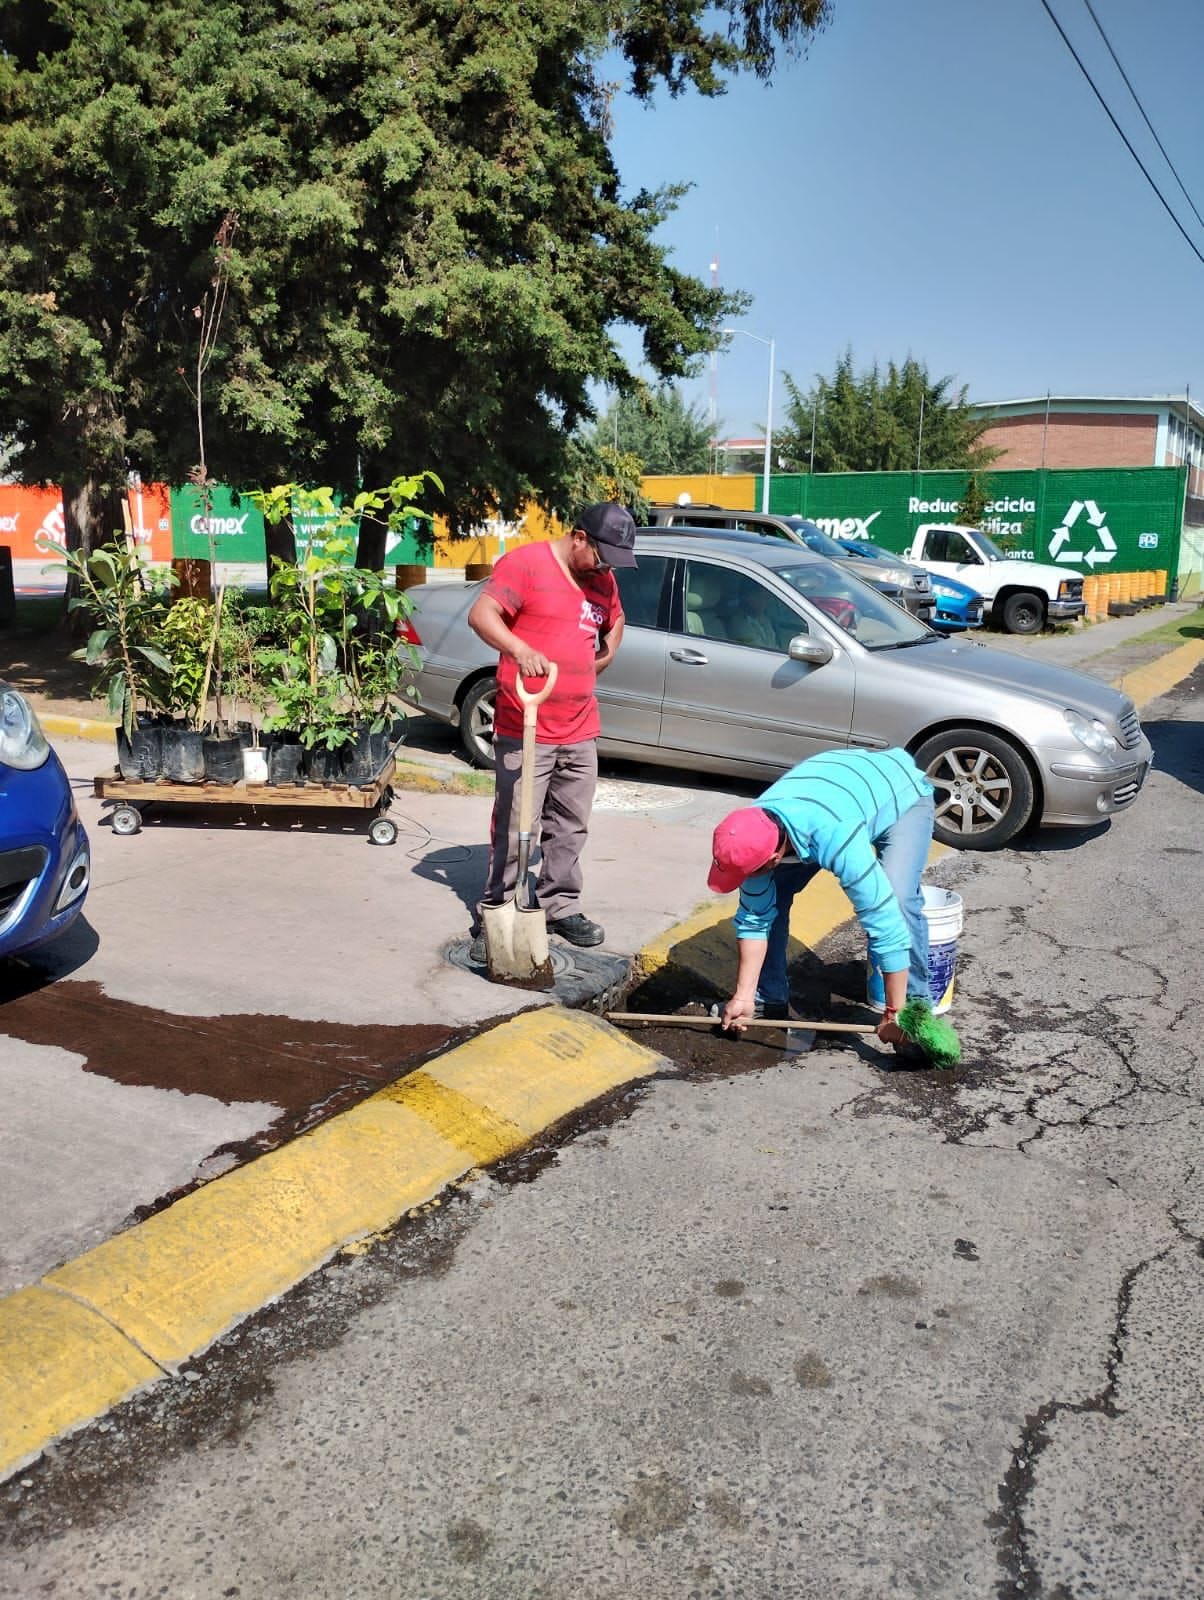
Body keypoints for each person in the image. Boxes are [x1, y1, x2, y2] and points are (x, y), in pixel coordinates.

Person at [467, 502, 636, 963]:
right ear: (579, 537)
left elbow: (616, 620)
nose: (605, 568)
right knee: (517, 823)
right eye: (602, 556)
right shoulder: (527, 564)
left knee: (571, 824)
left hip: (581, 726)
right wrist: (521, 650)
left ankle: (559, 904)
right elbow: (482, 615)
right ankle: (497, 908)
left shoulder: (602, 579)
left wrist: (604, 657)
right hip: (527, 724)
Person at [706, 747, 935, 1046]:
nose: (746, 879)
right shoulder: (749, 834)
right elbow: (754, 919)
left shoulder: (835, 835)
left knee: (898, 899)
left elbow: (885, 923)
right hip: (838, 791)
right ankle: (766, 996)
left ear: (775, 856)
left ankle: (915, 1015)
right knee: (773, 895)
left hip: (901, 793)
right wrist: (742, 995)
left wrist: (894, 1012)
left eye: (754, 871)